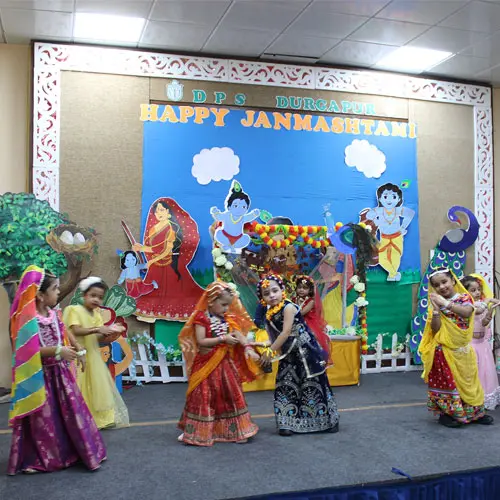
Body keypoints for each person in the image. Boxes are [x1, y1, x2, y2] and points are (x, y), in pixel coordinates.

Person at [8, 266, 106, 475]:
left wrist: (78, 350)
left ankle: (77, 451)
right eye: (55, 289)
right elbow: (28, 351)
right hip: (40, 378)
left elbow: (64, 331)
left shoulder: (54, 313)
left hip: (60, 375)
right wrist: (58, 350)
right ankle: (41, 457)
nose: (58, 292)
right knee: (43, 420)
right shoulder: (29, 320)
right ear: (40, 295)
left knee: (71, 413)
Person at [177, 281, 260, 446]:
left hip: (225, 365)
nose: (226, 308)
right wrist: (223, 339)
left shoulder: (227, 318)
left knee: (231, 395)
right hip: (206, 364)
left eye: (228, 305)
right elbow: (201, 341)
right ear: (210, 301)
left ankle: (238, 431)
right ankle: (196, 431)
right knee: (203, 396)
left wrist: (248, 348)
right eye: (223, 305)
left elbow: (238, 334)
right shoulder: (201, 318)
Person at [258, 274, 339, 436]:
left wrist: (270, 351)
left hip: (305, 352)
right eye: (266, 294)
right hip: (289, 353)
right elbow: (277, 335)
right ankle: (287, 423)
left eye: (275, 291)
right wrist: (262, 345)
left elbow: (286, 332)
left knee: (312, 384)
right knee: (286, 384)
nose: (272, 295)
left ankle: (326, 421)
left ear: (282, 290)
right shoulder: (271, 311)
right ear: (262, 298)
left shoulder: (288, 307)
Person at [419, 267, 493, 428]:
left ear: (453, 280)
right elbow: (435, 329)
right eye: (437, 285)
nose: (442, 287)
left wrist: (445, 303)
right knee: (448, 383)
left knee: (469, 382)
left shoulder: (465, 298)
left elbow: (466, 313)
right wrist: (436, 311)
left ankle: (475, 414)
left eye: (444, 282)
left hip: (463, 349)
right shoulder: (437, 303)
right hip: (444, 350)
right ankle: (447, 415)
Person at [63, 277, 129, 429]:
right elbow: (75, 330)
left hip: (93, 356)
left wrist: (111, 332)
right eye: (93, 295)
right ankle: (79, 420)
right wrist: (98, 329)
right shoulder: (74, 310)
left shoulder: (97, 315)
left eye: (100, 297)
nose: (96, 300)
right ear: (84, 295)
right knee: (79, 386)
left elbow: (97, 337)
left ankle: (99, 420)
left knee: (95, 389)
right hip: (77, 355)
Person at [133, 198, 204, 321]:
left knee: (178, 292)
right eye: (156, 211)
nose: (158, 213)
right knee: (151, 290)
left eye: (161, 210)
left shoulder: (172, 229)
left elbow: (166, 250)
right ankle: (150, 312)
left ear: (168, 212)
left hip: (170, 263)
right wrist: (141, 248)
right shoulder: (154, 228)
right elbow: (155, 248)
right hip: (156, 263)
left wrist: (150, 260)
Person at [461, 274, 500, 410]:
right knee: (474, 373)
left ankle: (486, 396)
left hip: (482, 344)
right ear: (465, 292)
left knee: (486, 372)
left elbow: (483, 322)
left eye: (479, 289)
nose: (477, 292)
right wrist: (487, 301)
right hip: (471, 345)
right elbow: (477, 311)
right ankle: (472, 399)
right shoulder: (467, 306)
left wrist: (489, 315)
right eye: (473, 290)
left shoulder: (482, 304)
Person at [363, 183, 415, 281]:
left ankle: (392, 276)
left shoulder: (398, 210)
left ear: (398, 199)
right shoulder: (379, 210)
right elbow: (368, 215)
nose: (389, 200)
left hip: (397, 237)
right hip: (384, 238)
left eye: (394, 197)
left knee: (396, 256)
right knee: (382, 258)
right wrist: (376, 221)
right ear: (380, 199)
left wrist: (403, 227)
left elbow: (410, 213)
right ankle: (394, 273)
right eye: (385, 197)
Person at [293, 274, 333, 366]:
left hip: (308, 322)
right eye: (299, 287)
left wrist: (295, 306)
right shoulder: (294, 299)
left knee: (313, 337)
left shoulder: (310, 301)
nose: (301, 290)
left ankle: (318, 358)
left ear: (310, 290)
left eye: (305, 288)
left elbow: (301, 313)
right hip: (296, 322)